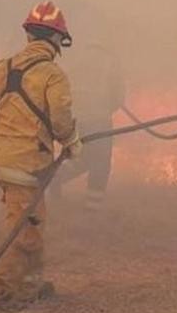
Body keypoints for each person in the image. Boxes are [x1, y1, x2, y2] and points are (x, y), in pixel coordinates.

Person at [0, 1, 83, 310]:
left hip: (1, 159)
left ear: (30, 35)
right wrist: (72, 142)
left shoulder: (5, 67)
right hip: (25, 163)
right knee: (22, 230)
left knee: (31, 220)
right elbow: (60, 118)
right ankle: (5, 291)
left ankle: (30, 284)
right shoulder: (52, 75)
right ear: (59, 39)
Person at [52, 42, 125, 211]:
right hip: (98, 119)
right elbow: (118, 97)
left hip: (74, 118)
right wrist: (105, 109)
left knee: (81, 157)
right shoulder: (110, 62)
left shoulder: (75, 57)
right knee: (100, 161)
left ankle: (54, 178)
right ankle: (93, 206)